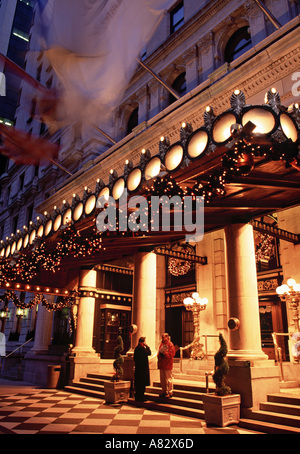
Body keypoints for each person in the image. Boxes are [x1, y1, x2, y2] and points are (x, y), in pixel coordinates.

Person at [157, 332, 175, 398]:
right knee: (163, 379)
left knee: (168, 379)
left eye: (164, 337)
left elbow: (172, 354)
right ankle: (164, 391)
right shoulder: (161, 344)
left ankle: (170, 392)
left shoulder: (170, 344)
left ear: (167, 337)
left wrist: (165, 354)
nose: (163, 338)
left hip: (167, 364)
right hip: (162, 364)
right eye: (162, 337)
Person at [133, 336, 151, 402]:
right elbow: (149, 353)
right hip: (142, 369)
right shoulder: (142, 348)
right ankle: (140, 398)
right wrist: (148, 346)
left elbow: (134, 358)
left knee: (139, 385)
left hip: (138, 368)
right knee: (142, 385)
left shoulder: (137, 348)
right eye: (145, 341)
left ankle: (138, 397)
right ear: (143, 342)